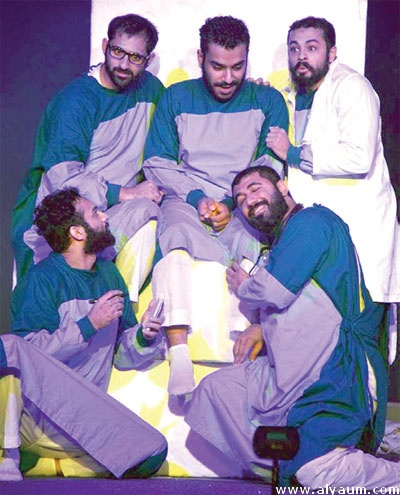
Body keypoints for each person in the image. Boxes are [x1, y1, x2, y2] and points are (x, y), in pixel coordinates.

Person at [185, 166, 400, 488]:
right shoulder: (280, 244)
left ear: (283, 187)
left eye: (255, 188)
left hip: (334, 370)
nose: (248, 201)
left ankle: (326, 466)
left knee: (316, 472)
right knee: (217, 390)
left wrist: (245, 286)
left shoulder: (311, 221)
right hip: (285, 372)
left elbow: (274, 291)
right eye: (240, 199)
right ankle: (289, 466)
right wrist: (259, 326)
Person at [143, 15, 289, 396]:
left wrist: (231, 202)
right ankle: (178, 354)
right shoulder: (176, 98)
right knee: (173, 237)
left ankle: (242, 354)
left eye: (237, 67)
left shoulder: (268, 100)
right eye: (218, 66)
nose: (228, 77)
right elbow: (156, 162)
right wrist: (198, 199)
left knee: (255, 248)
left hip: (241, 205)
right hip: (187, 199)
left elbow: (270, 166)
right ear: (200, 59)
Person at [0, 188, 168, 481]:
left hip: (84, 417)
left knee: (153, 451)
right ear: (77, 232)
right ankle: (8, 453)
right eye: (95, 213)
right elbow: (26, 352)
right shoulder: (42, 279)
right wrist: (88, 324)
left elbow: (121, 356)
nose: (105, 217)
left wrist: (144, 336)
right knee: (9, 346)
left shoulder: (109, 275)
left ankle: (47, 466)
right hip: (37, 415)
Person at [12, 13, 165, 302]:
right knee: (50, 312)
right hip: (64, 221)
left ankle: (122, 312)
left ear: (149, 59)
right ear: (105, 46)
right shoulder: (76, 101)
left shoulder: (151, 89)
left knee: (159, 216)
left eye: (135, 57)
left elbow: (176, 125)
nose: (124, 64)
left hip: (112, 215)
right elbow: (62, 176)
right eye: (118, 51)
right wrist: (125, 193)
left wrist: (250, 90)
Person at [266, 16, 399, 304]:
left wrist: (292, 153)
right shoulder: (292, 93)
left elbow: (359, 156)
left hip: (358, 226)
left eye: (312, 48)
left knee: (360, 316)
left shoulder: (352, 87)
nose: (301, 56)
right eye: (294, 48)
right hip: (320, 232)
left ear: (332, 53)